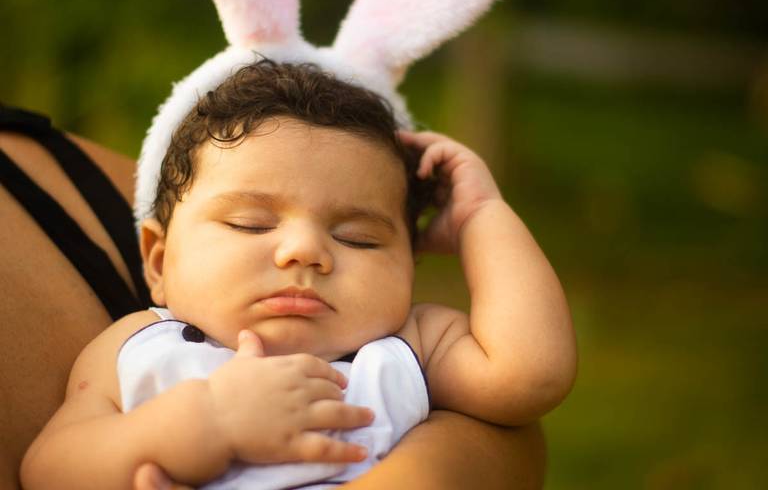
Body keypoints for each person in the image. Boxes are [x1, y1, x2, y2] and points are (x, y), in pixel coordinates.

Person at [20, 60, 576, 490]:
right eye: (250, 223)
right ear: (160, 262)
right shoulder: (139, 347)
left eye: (358, 237)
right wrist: (201, 423)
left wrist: (483, 215)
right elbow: (49, 469)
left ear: (409, 265)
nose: (305, 251)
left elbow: (532, 376)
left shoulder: (412, 346)